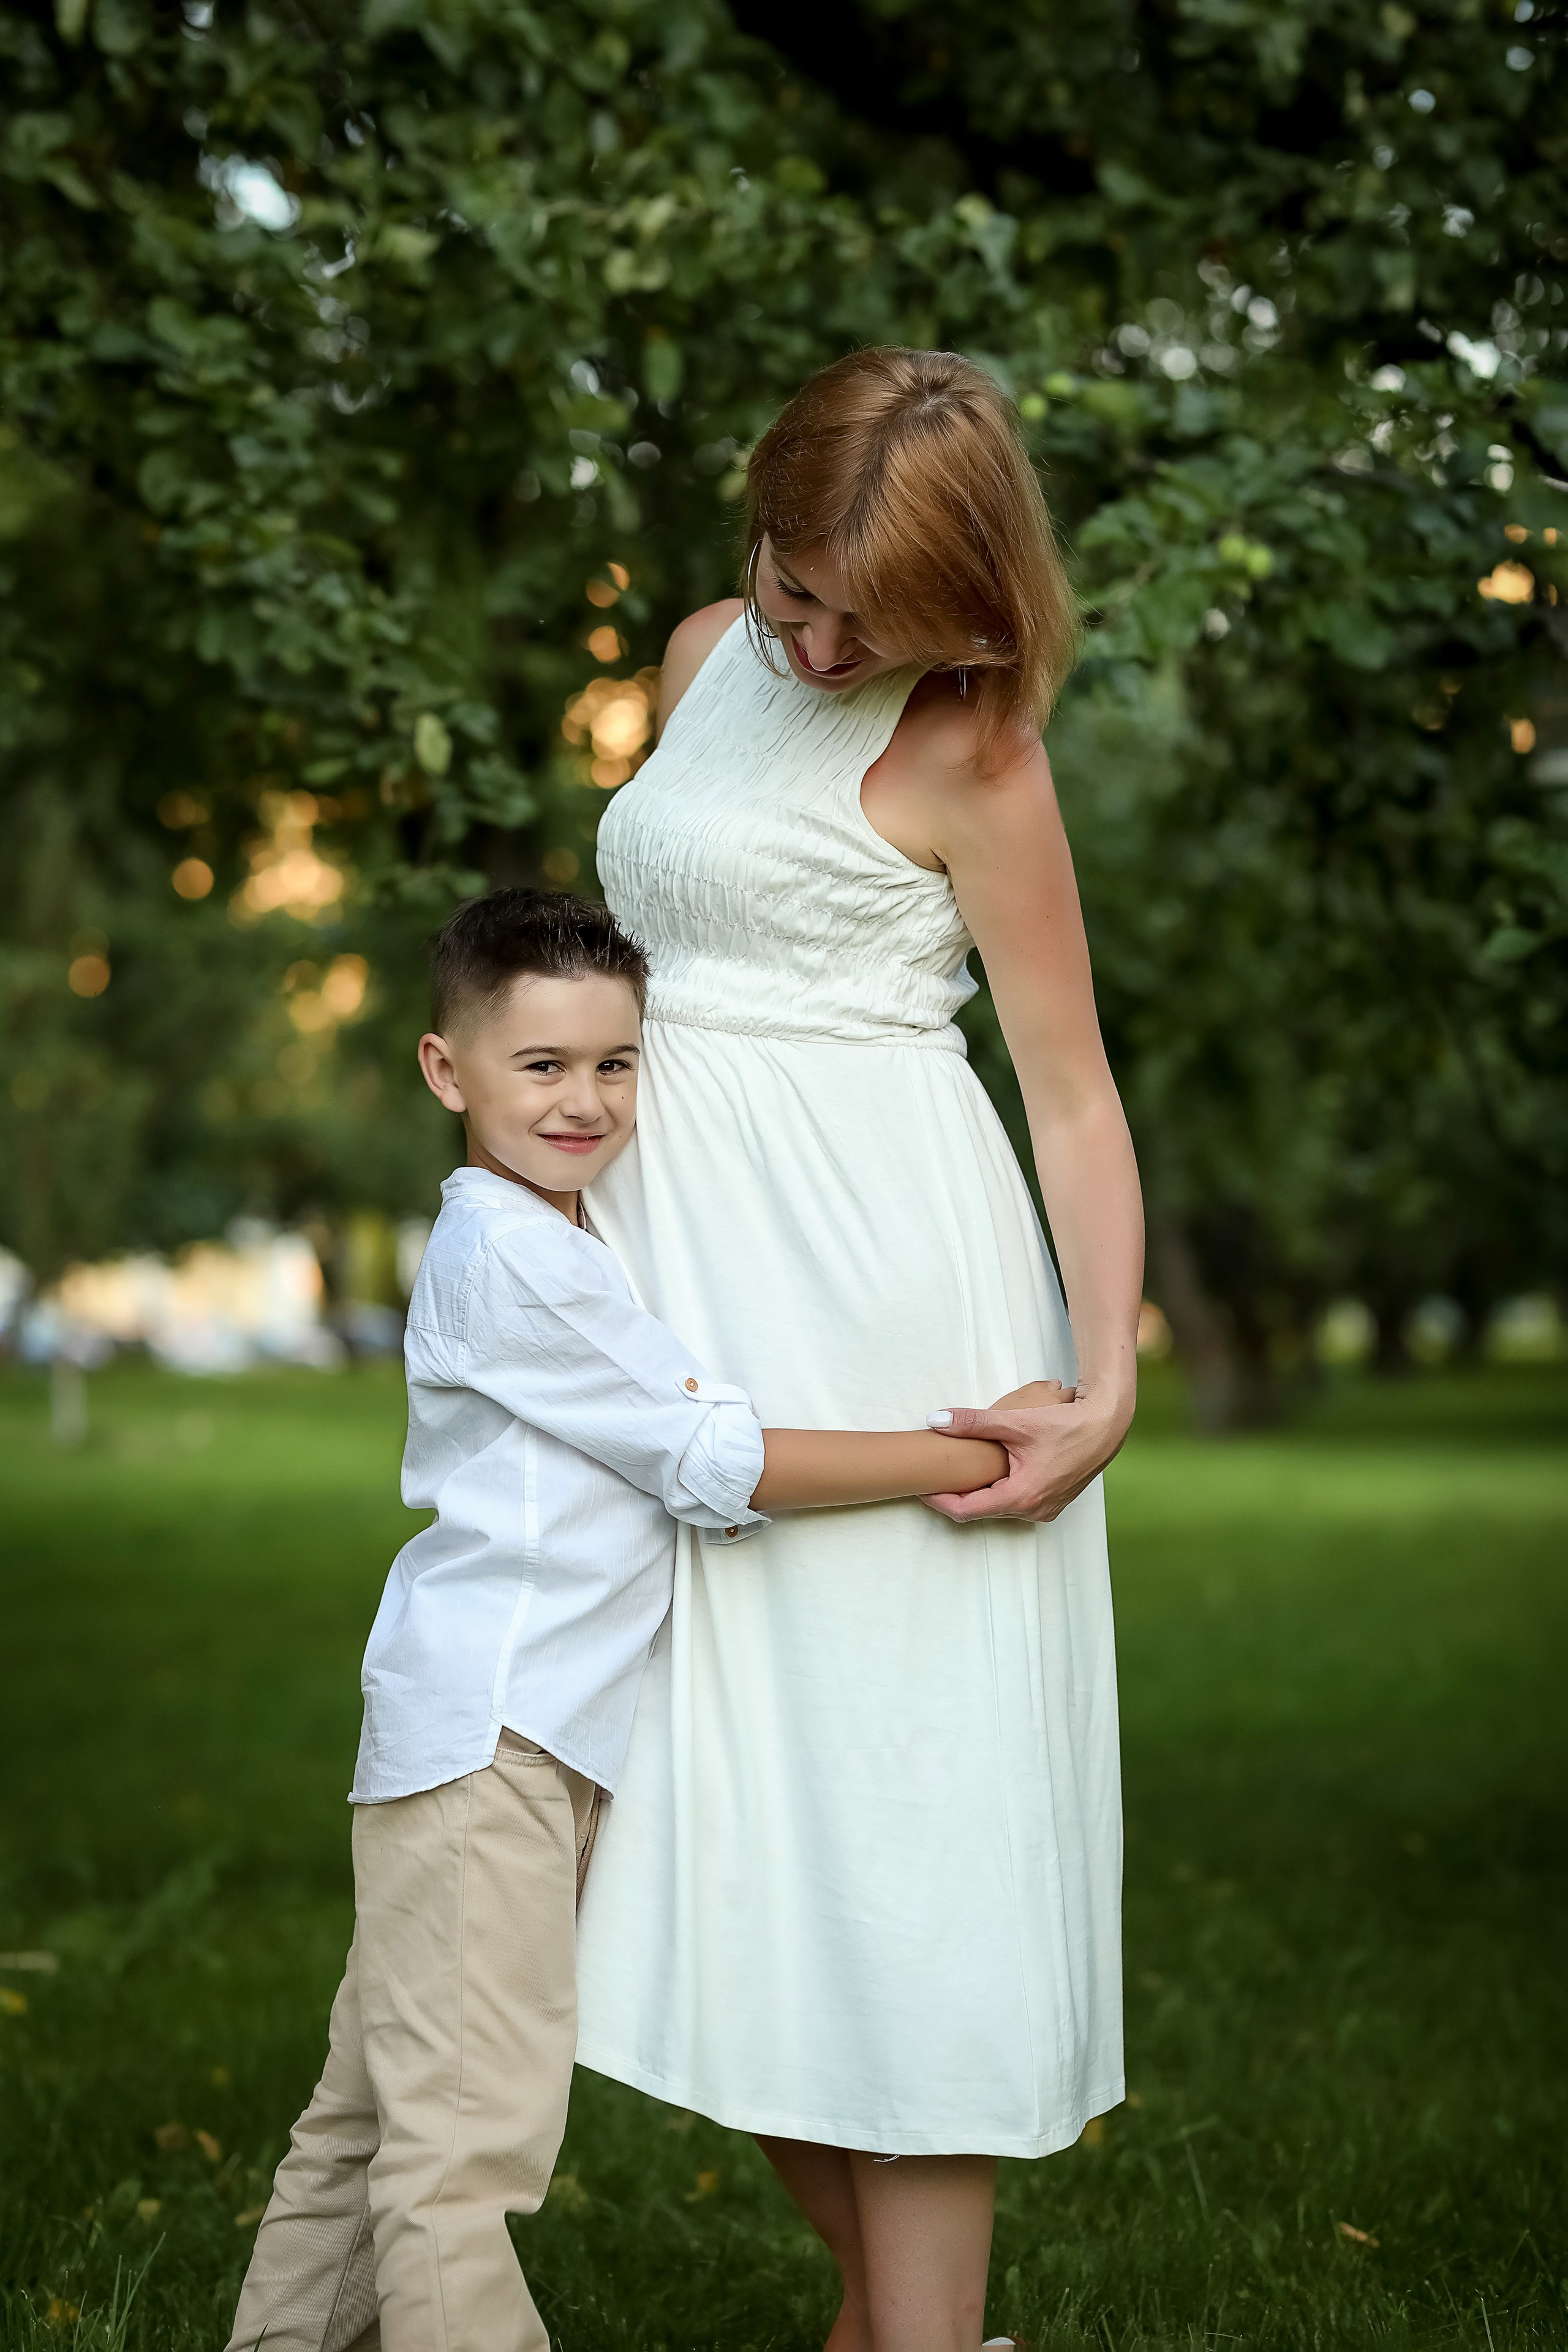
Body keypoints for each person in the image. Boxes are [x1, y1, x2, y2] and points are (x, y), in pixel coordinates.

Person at [225, 887, 1020, 2352]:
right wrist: (977, 1453)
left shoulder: (575, 1237)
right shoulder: (508, 1256)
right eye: (539, 1067)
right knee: (462, 2152)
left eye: (614, 1062)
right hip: (491, 1743)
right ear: (443, 1072)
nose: (584, 1100)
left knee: (373, 2119)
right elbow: (713, 1460)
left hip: (505, 1737)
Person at [575, 347, 1144, 2351]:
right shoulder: (706, 651)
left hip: (890, 1313)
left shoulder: (979, 757)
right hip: (689, 1323)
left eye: (860, 619)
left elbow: (1068, 1091)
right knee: (723, 1861)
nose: (811, 643)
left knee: (894, 1857)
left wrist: (1107, 1380)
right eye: (791, 587)